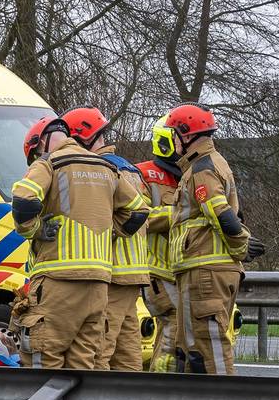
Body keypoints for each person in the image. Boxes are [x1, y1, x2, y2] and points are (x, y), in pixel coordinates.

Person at [11, 116, 148, 369]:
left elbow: (23, 200)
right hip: (98, 286)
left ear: (41, 142)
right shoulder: (107, 167)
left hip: (58, 280)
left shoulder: (49, 163)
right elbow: (139, 211)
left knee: (42, 357)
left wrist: (36, 229)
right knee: (84, 365)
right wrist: (109, 230)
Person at [62, 107, 151, 371]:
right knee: (127, 355)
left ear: (79, 137)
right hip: (134, 272)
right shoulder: (128, 166)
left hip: (112, 271)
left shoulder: (98, 169)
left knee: (100, 350)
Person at [166, 104, 248, 375]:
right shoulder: (205, 165)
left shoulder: (202, 168)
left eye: (174, 134)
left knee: (207, 348)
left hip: (206, 271)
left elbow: (221, 214)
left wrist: (242, 246)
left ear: (186, 134)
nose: (172, 140)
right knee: (192, 350)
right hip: (200, 269)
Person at [137, 114, 182, 368]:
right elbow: (140, 219)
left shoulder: (194, 173)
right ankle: (161, 389)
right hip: (158, 271)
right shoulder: (144, 174)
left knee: (185, 335)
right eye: (179, 139)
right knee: (173, 332)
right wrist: (183, 212)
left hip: (185, 270)